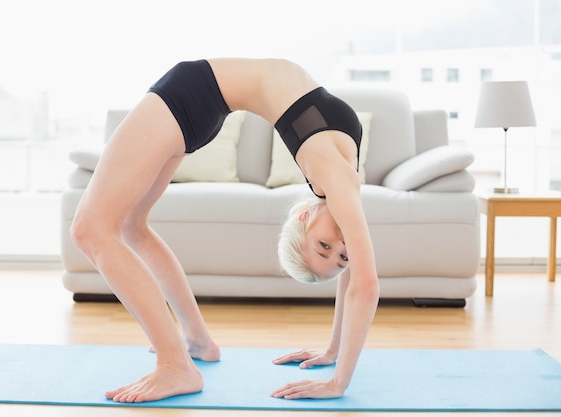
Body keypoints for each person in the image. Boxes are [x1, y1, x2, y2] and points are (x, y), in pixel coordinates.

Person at [70, 58, 379, 403]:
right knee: (130, 225)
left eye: (330, 250)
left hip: (191, 94)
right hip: (202, 99)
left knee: (89, 229)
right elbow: (359, 280)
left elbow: (360, 283)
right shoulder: (339, 182)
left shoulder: (335, 181)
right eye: (333, 250)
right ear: (305, 220)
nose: (339, 243)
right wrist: (335, 360)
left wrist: (338, 376)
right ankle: (197, 340)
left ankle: (175, 364)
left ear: (305, 220)